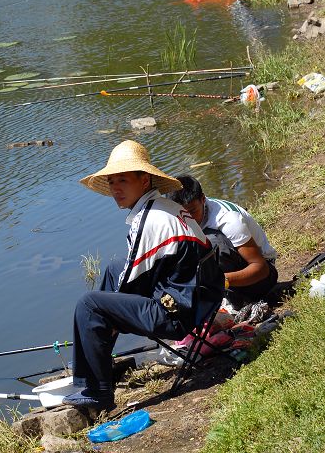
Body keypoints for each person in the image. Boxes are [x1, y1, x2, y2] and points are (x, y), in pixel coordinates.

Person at [62, 140, 224, 411]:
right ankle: (99, 362)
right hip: (202, 297)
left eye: (123, 180)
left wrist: (110, 320)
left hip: (179, 314)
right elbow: (133, 276)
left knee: (89, 305)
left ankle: (99, 391)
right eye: (112, 182)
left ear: (145, 180)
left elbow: (131, 285)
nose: (115, 189)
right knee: (114, 269)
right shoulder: (164, 207)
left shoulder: (150, 220)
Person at [169, 176, 278, 310]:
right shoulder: (177, 217)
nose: (188, 219)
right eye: (182, 214)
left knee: (212, 243)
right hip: (228, 277)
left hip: (262, 278)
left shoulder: (228, 220)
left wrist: (220, 281)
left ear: (203, 199)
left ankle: (232, 300)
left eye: (192, 212)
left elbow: (261, 269)